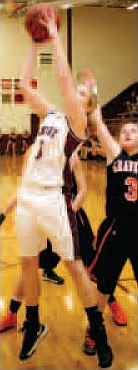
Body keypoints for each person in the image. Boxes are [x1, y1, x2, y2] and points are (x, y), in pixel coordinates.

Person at [3, 12, 113, 367]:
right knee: (28, 264)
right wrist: (35, 47)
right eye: (75, 93)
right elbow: (23, 85)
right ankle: (33, 325)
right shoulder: (52, 115)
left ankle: (98, 329)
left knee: (75, 266)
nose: (72, 94)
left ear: (86, 106)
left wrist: (54, 36)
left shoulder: (77, 125)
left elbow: (64, 79)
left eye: (81, 94)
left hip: (53, 200)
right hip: (28, 199)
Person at [85, 86, 138, 362]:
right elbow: (98, 123)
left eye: (134, 131)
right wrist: (93, 92)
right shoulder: (115, 155)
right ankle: (94, 330)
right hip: (116, 228)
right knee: (104, 286)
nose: (127, 133)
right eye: (124, 131)